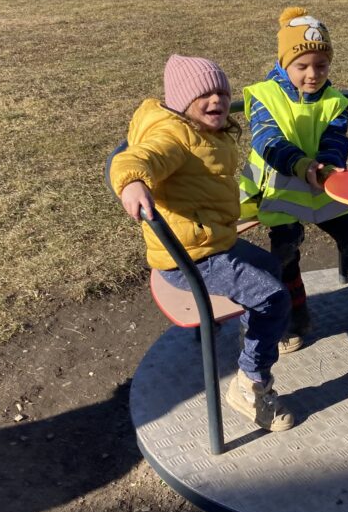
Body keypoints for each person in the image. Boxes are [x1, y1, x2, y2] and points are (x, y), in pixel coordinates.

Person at [111, 55, 293, 432]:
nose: (218, 101)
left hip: (210, 240)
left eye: (222, 93)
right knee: (273, 297)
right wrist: (132, 181)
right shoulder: (174, 137)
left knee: (271, 267)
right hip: (191, 258)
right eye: (205, 95)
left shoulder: (202, 131)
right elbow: (142, 156)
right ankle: (251, 385)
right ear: (182, 102)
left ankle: (255, 336)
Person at [238, 7, 348, 352]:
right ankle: (295, 316)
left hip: (324, 184)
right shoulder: (265, 96)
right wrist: (301, 165)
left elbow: (335, 139)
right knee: (285, 252)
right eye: (302, 66)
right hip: (281, 186)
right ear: (284, 62)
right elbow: (267, 140)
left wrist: (329, 165)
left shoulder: (335, 101)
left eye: (322, 65)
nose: (313, 74)